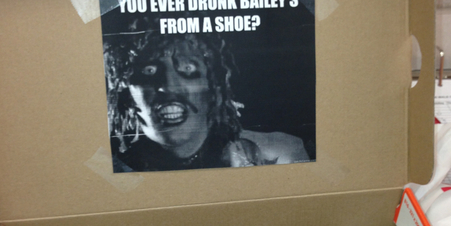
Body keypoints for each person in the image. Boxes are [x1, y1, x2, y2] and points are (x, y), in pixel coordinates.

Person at [103, 30, 309, 172]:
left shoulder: (275, 154)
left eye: (188, 68)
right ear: (126, 95)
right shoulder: (113, 172)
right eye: (149, 71)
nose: (169, 86)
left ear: (214, 89)